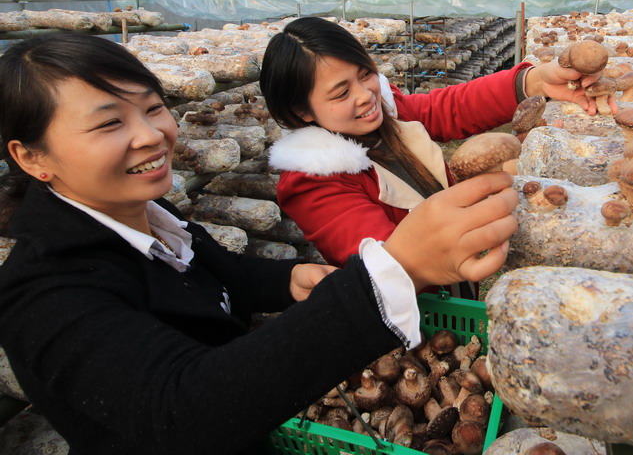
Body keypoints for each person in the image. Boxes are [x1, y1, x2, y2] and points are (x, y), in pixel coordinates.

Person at [0, 31, 518, 455]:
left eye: (153, 108)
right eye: (110, 123)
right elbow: (184, 411)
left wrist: (286, 279)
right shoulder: (46, 296)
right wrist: (394, 269)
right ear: (31, 158)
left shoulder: (148, 219)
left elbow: (216, 274)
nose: (151, 135)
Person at [260, 16, 606, 292]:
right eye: (340, 93)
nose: (365, 95)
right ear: (302, 111)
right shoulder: (313, 181)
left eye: (365, 74)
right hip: (414, 311)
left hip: (456, 276)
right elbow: (382, 261)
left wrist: (535, 81)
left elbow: (450, 107)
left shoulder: (388, 115)